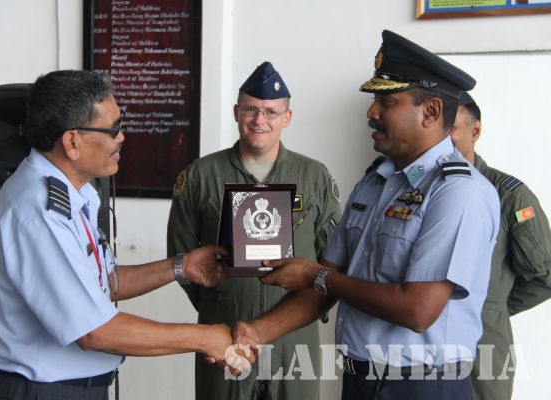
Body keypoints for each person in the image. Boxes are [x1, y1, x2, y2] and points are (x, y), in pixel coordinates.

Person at [229, 30, 501, 400]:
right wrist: (256, 333)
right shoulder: (376, 181)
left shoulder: (458, 192)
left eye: (386, 101)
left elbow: (417, 309)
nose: (372, 112)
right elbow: (327, 283)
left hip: (423, 386)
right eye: (375, 101)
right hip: (360, 381)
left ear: (431, 112)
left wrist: (317, 276)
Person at [0, 70, 256, 400]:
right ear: (72, 142)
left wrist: (182, 267)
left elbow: (105, 282)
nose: (121, 138)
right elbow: (94, 331)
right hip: (40, 392)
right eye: (113, 129)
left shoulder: (76, 196)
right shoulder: (39, 212)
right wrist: (207, 338)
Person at [167, 61, 341, 400]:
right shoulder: (202, 175)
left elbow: (332, 257)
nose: (260, 120)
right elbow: (181, 255)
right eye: (250, 110)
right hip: (224, 332)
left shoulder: (314, 176)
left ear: (286, 118)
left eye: (271, 112)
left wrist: (310, 305)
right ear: (237, 113)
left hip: (294, 335)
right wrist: (219, 299)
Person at [450, 92, 551, 400]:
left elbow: (545, 276)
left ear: (475, 130)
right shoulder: (411, 191)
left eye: (450, 128)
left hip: (484, 344)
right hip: (415, 342)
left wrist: (492, 308)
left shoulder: (508, 196)